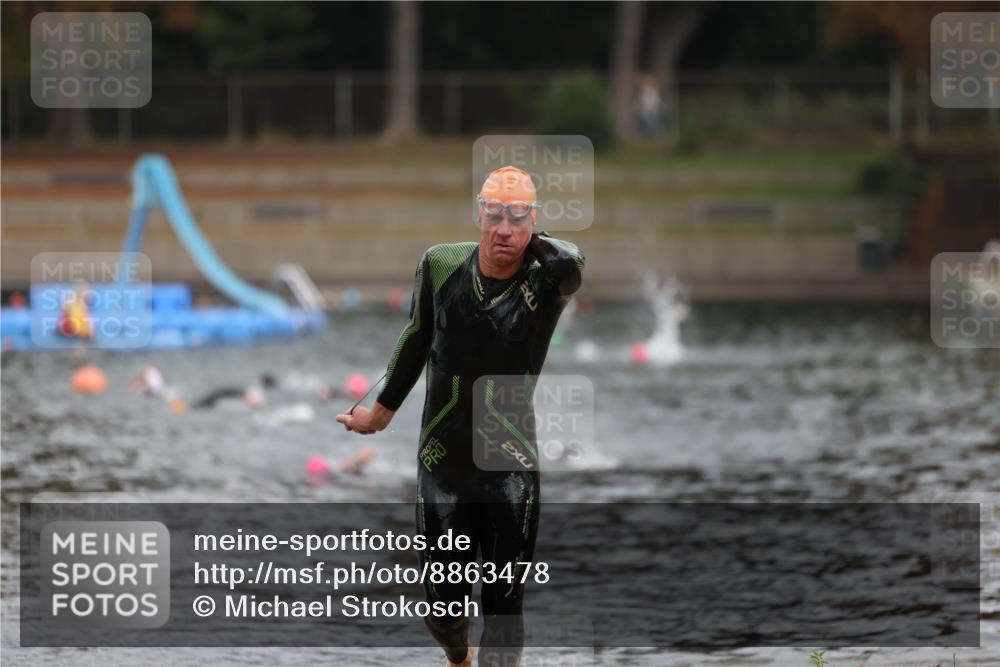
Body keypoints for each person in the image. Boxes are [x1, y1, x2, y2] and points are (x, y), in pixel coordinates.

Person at [337, 166, 584, 667]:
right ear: (478, 214)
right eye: (494, 216)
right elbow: (414, 339)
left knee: (503, 605)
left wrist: (527, 237)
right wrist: (380, 415)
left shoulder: (544, 281)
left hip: (509, 465)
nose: (504, 231)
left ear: (535, 225)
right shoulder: (440, 264)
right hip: (442, 462)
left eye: (518, 220)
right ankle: (458, 657)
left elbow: (572, 262)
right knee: (442, 609)